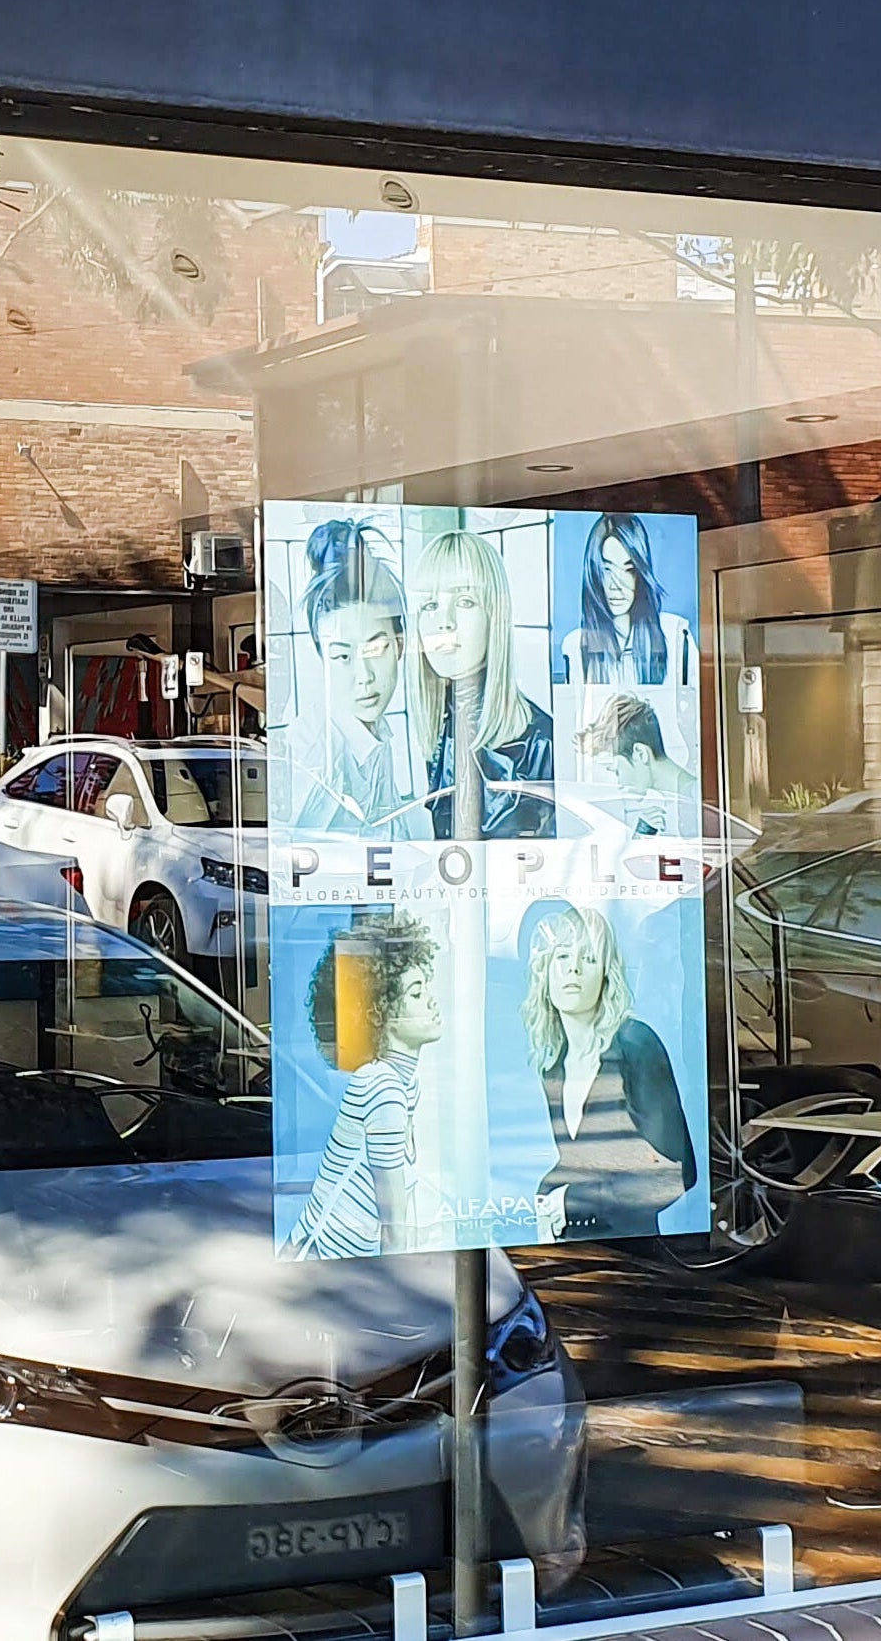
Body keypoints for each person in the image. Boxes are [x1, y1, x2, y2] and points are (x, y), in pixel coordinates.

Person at [522, 901, 694, 1241]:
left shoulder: (634, 1044)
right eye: (562, 957)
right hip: (571, 1253)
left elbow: (675, 1176)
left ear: (605, 973)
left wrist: (570, 1201)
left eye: (587, 958)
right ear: (545, 971)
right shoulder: (553, 1067)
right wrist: (545, 1196)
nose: (573, 970)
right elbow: (583, 1161)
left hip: (632, 1260)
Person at [288, 912, 446, 1258]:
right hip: (328, 1264)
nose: (433, 1001)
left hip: (332, 1259)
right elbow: (394, 1227)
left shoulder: (395, 1082)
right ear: (380, 1012)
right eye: (417, 994)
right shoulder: (383, 1087)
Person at [411, 527, 555, 839]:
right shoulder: (434, 735)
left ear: (494, 613)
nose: (444, 621)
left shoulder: (543, 743)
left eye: (464, 601)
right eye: (430, 605)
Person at [288, 519, 420, 837]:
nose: (364, 677)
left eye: (375, 648)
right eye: (342, 657)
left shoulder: (374, 731)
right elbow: (302, 856)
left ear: (399, 645)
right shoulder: (319, 751)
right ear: (323, 659)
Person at [561, 513, 694, 688]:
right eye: (607, 570)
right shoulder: (576, 645)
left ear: (640, 573)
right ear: (593, 574)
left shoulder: (675, 635)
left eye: (628, 570)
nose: (616, 586)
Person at [575, 694, 699, 822]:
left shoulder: (698, 801)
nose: (619, 784)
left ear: (640, 753)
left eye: (617, 772)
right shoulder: (688, 801)